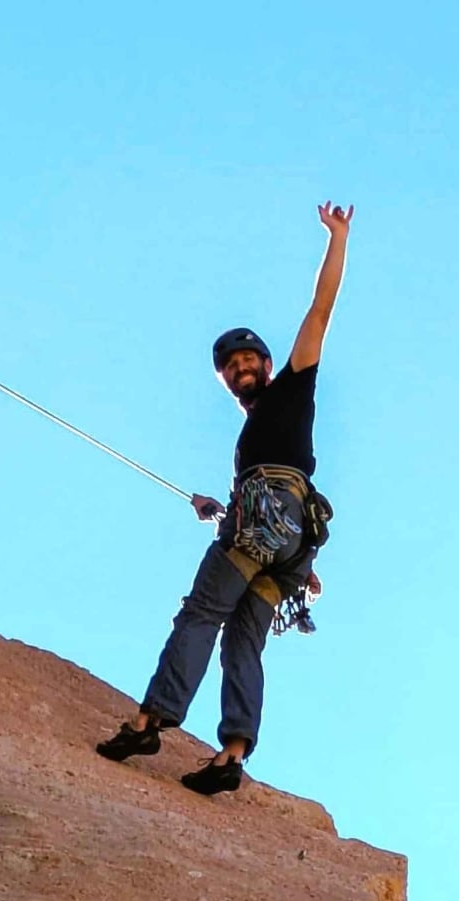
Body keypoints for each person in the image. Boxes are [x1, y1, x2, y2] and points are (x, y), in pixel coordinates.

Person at [96, 201, 353, 795]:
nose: (241, 368)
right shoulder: (260, 434)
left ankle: (149, 721)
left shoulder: (292, 387)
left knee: (201, 615)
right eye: (232, 365)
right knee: (243, 639)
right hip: (290, 544)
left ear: (267, 365)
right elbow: (286, 488)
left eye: (248, 360)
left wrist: (336, 239)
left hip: (265, 524)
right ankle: (232, 755)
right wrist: (225, 508)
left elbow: (321, 311)